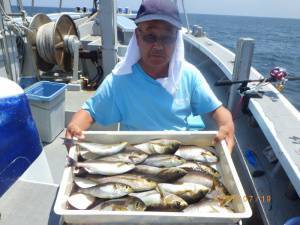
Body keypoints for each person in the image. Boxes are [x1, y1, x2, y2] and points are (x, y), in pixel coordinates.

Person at [66, 0, 235, 152]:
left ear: (176, 39)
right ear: (138, 37)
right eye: (150, 37)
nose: (158, 46)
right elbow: (89, 112)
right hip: (134, 156)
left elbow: (217, 110)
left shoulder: (189, 75)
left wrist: (226, 125)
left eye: (167, 38)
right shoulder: (121, 79)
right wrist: (75, 126)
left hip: (177, 154)